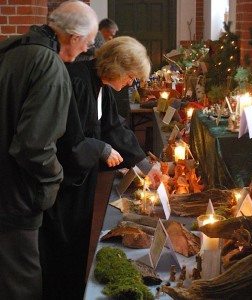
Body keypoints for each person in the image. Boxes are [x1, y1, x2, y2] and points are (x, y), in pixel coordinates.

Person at [39, 36, 162, 300]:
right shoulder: (79, 82)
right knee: (62, 246)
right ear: (117, 66)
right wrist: (101, 149)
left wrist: (145, 165)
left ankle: (73, 289)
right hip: (63, 183)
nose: (131, 83)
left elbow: (112, 127)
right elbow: (69, 141)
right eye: (130, 76)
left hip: (82, 180)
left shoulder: (101, 85)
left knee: (78, 244)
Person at [0, 1, 98, 300]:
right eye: (89, 43)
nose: (86, 51)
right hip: (16, 197)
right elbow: (33, 147)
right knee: (22, 284)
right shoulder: (49, 66)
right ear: (74, 37)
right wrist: (54, 179)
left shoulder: (10, 48)